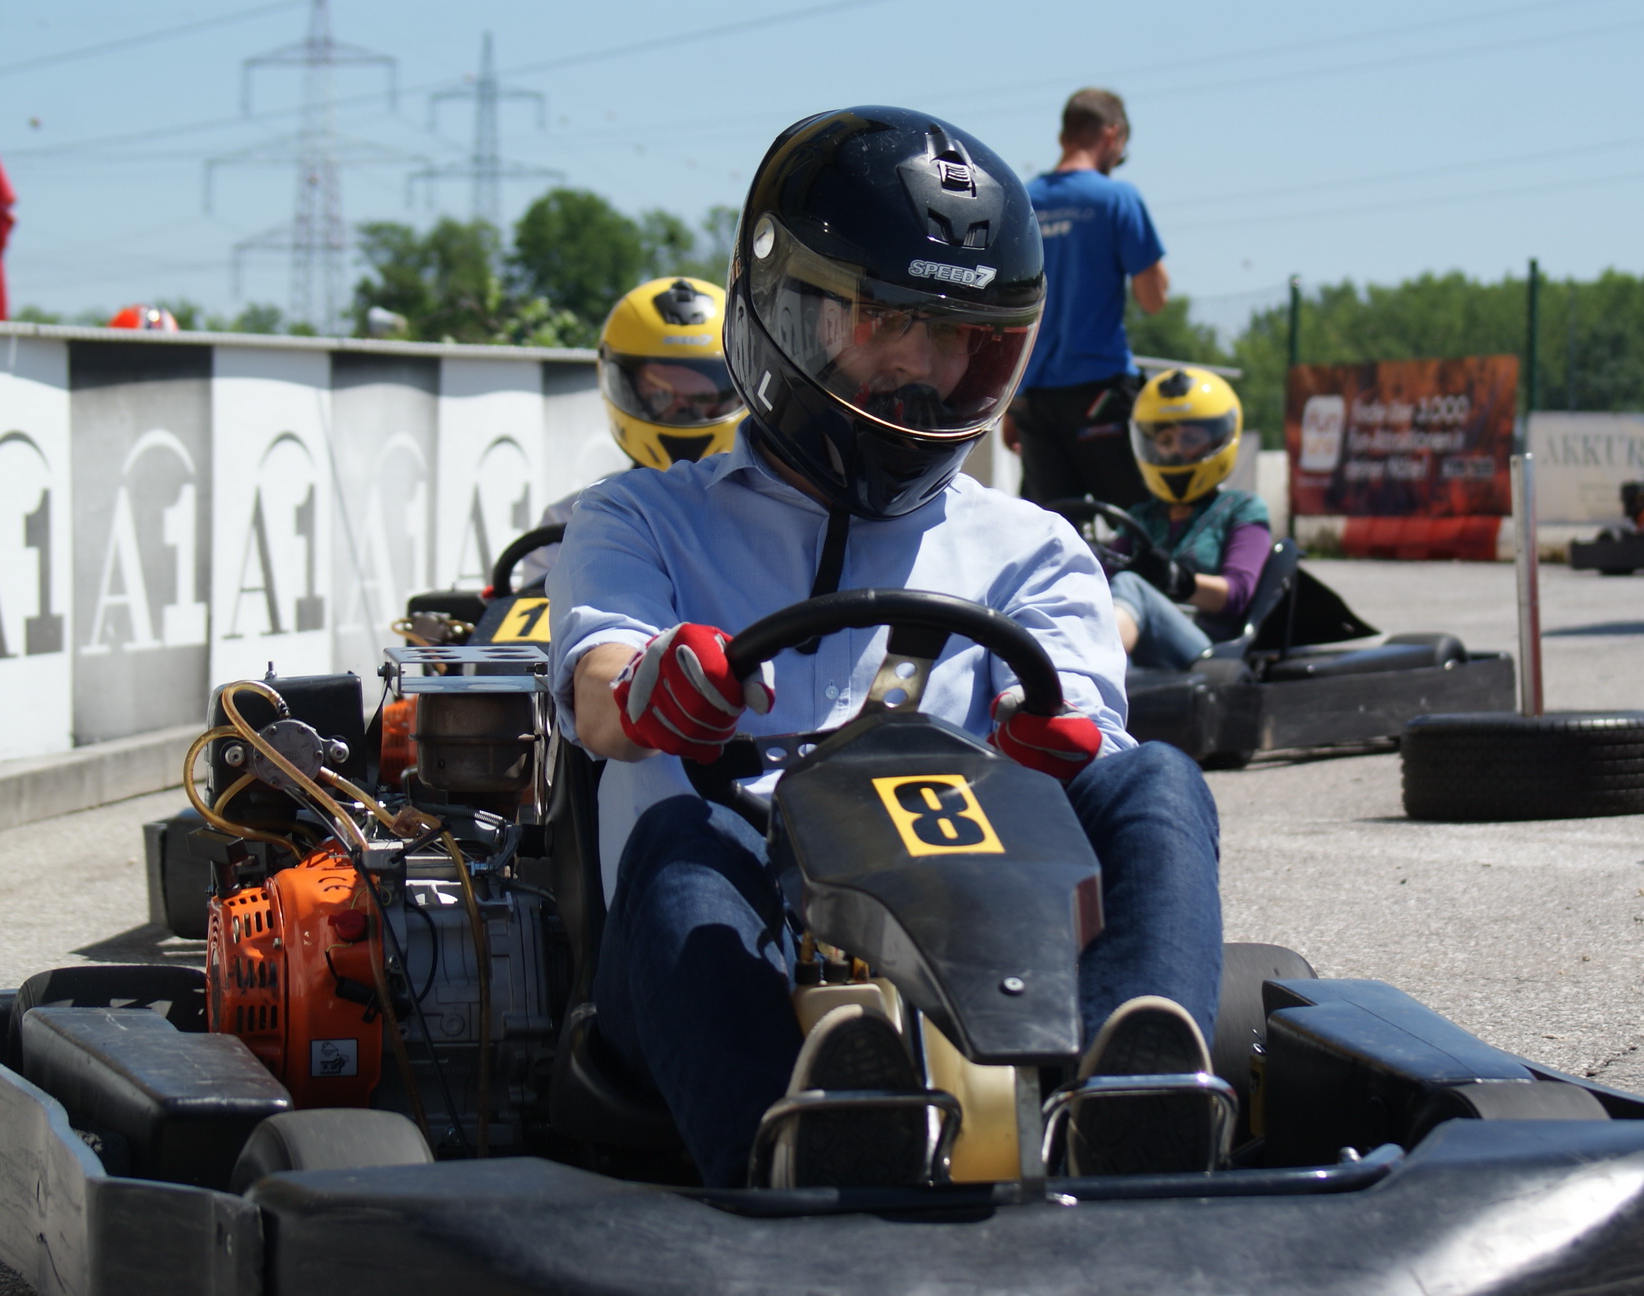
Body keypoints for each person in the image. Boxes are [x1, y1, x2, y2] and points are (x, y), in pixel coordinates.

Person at [549, 106, 1223, 1191]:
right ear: (788, 310)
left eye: (956, 337)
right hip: (712, 952)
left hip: (977, 943)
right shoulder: (642, 519)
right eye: (887, 320)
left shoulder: (1033, 549)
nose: (922, 366)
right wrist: (652, 689)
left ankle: (1127, 1117)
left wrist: (1054, 740)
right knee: (683, 837)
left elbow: (1085, 719)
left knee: (1157, 781)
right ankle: (796, 1149)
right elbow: (597, 683)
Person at [507, 277, 746, 589]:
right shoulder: (568, 520)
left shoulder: (778, 515)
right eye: (661, 395)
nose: (683, 410)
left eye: (703, 397)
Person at [1007, 88, 1170, 510]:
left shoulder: (1023, 199)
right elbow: (1154, 299)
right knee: (1137, 522)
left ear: (1065, 134)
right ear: (1112, 135)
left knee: (1051, 527)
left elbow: (1006, 303)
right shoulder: (1117, 198)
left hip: (1034, 396)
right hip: (1101, 393)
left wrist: (1010, 402)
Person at [1108, 368, 1271, 670]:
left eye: (1191, 438)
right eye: (1166, 440)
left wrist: (1175, 579)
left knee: (1131, 586)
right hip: (1147, 645)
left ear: (1218, 441)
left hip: (1209, 653)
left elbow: (1236, 595)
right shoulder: (1140, 516)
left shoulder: (1242, 508)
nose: (1176, 450)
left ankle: (1089, 669)